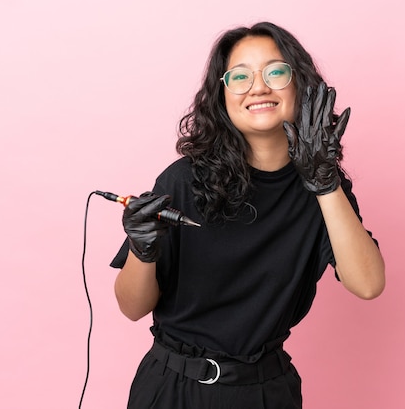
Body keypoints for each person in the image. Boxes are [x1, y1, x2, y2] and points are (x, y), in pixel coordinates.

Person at [110, 21, 385, 409]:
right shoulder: (184, 179)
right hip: (174, 387)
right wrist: (142, 250)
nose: (258, 86)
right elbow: (133, 308)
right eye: (239, 76)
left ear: (299, 85)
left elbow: (369, 284)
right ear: (222, 96)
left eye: (275, 71)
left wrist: (325, 185)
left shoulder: (324, 188)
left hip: (265, 390)